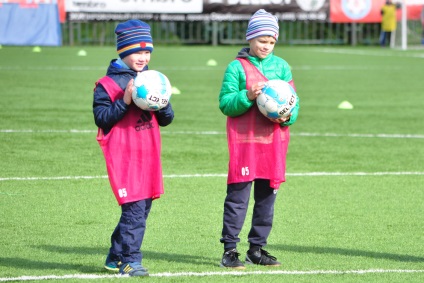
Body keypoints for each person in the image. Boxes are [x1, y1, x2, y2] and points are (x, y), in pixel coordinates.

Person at [218, 9, 300, 269]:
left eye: (271, 41)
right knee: (238, 198)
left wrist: (286, 117)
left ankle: (257, 249)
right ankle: (230, 250)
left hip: (273, 143)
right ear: (250, 39)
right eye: (262, 40)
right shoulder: (236, 67)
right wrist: (247, 96)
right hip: (245, 143)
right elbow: (225, 104)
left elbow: (294, 103)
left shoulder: (282, 66)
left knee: (267, 198)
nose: (266, 46)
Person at [92, 19, 174, 277]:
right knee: (135, 210)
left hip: (148, 155)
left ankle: (114, 257)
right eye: (137, 51)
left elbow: (166, 120)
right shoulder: (106, 84)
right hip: (124, 157)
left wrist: (162, 102)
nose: (143, 57)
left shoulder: (152, 79)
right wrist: (125, 100)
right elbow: (103, 119)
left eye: (147, 51)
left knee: (140, 209)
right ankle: (130, 261)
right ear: (123, 51)